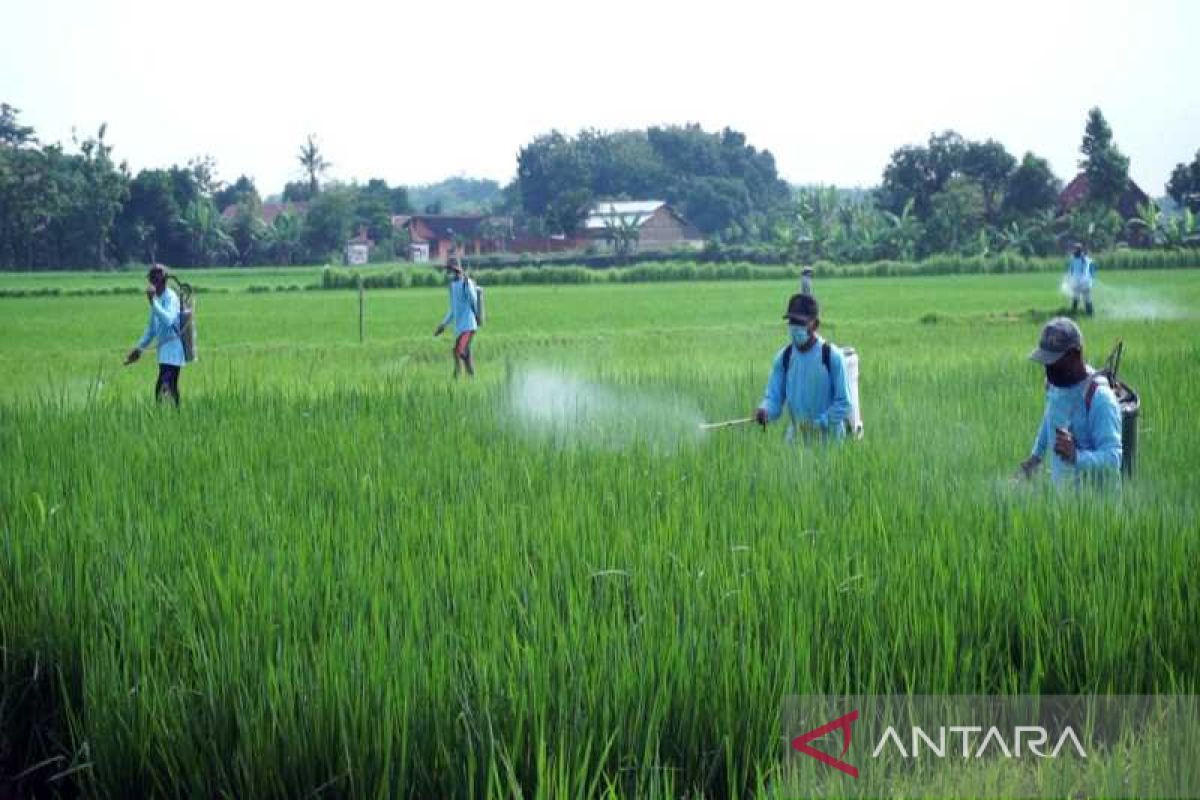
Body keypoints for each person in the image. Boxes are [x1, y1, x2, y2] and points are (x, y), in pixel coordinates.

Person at [1017, 317, 1122, 486]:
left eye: (1054, 363)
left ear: (1074, 355)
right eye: (1045, 363)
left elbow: (1113, 458)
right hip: (1063, 503)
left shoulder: (1100, 398)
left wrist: (1076, 456)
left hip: (1098, 507)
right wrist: (1036, 457)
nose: (1048, 371)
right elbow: (1050, 418)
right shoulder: (1056, 386)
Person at [753, 293, 852, 441]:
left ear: (815, 325)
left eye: (800, 322)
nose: (795, 327)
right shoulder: (784, 357)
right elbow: (774, 398)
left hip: (830, 443)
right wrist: (765, 410)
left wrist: (818, 425)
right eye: (792, 321)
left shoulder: (831, 356)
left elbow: (844, 403)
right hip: (795, 441)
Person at [124, 263, 185, 405]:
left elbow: (169, 320)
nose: (151, 285)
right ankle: (177, 416)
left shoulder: (171, 298)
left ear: (161, 281)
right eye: (150, 281)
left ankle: (164, 417)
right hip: (164, 352)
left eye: (153, 281)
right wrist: (138, 350)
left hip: (174, 350)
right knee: (171, 387)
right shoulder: (157, 300)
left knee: (162, 387)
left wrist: (153, 302)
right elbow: (151, 330)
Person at [433, 257, 480, 378]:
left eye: (452, 270)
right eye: (450, 270)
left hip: (469, 325)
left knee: (458, 351)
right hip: (459, 327)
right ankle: (471, 378)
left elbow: (473, 301)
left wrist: (477, 316)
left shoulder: (467, 283)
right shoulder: (453, 286)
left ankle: (456, 376)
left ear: (457, 270)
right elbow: (453, 310)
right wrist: (443, 325)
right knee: (464, 353)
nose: (451, 273)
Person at [1064, 242, 1095, 316]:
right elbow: (1071, 271)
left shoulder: (1084, 259)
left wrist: (1084, 258)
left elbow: (1085, 270)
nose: (1073, 251)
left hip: (1084, 283)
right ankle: (1077, 312)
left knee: (1085, 298)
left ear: (1078, 250)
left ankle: (1089, 313)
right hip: (1079, 282)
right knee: (1077, 298)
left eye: (1075, 250)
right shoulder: (1074, 259)